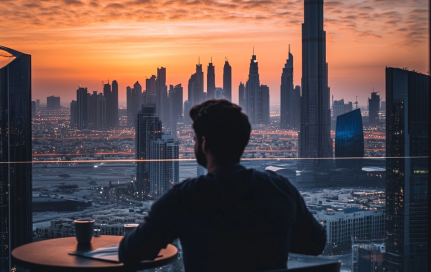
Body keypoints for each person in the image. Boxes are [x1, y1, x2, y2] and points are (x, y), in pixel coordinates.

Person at [119, 99, 326, 271]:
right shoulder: (280, 188)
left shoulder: (186, 197)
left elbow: (131, 252)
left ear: (204, 143)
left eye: (194, 139)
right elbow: (316, 243)